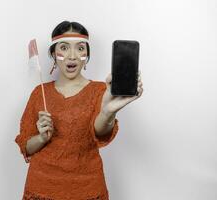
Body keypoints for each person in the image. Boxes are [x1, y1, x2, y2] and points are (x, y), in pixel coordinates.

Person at [15, 21, 143, 200]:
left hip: (88, 188)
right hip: (41, 187)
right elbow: (26, 147)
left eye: (80, 48)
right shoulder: (39, 93)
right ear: (53, 53)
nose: (72, 56)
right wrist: (41, 137)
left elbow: (100, 132)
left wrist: (107, 112)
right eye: (64, 48)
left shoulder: (100, 91)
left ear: (87, 56)